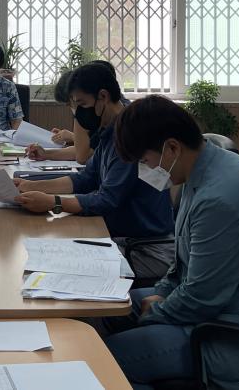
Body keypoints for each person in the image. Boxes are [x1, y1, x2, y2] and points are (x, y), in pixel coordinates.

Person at [105, 96, 239, 390]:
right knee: (110, 309)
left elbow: (203, 298)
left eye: (144, 161)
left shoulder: (218, 199)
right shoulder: (203, 169)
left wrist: (156, 312)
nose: (144, 170)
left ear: (172, 148)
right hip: (216, 308)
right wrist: (162, 292)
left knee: (104, 361)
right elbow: (183, 259)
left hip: (237, 336)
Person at [13, 62, 174, 281]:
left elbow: (106, 200)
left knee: (60, 267)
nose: (79, 113)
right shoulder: (109, 131)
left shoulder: (130, 135)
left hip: (145, 248)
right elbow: (86, 178)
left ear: (103, 97)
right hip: (124, 237)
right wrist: (32, 186)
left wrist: (53, 202)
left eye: (82, 104)